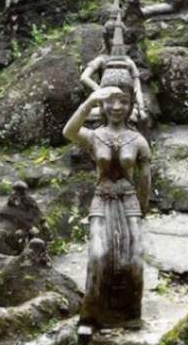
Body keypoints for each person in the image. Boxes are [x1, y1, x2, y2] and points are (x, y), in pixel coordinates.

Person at [63, 18, 151, 327]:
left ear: (130, 104)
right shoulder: (94, 135)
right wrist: (90, 101)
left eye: (123, 100)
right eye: (111, 99)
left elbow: (144, 183)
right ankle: (91, 314)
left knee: (134, 257)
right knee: (99, 256)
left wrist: (142, 211)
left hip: (128, 201)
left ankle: (131, 312)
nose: (116, 106)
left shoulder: (138, 141)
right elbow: (69, 131)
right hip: (101, 199)